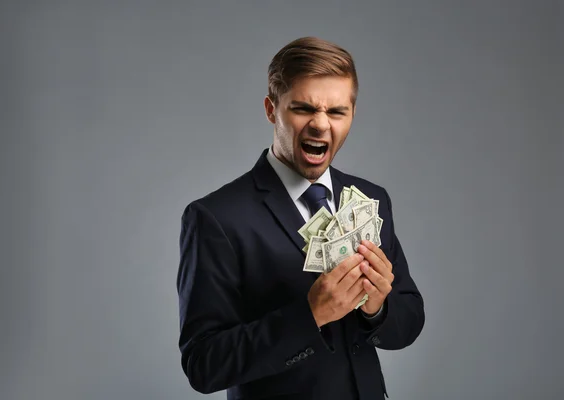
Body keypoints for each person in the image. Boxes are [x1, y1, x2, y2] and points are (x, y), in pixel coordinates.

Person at [177, 37, 425, 400]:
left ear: (352, 115)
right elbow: (204, 364)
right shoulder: (216, 218)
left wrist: (376, 309)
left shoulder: (373, 200)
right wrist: (309, 316)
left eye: (337, 112)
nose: (320, 125)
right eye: (303, 108)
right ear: (271, 109)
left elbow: (409, 320)